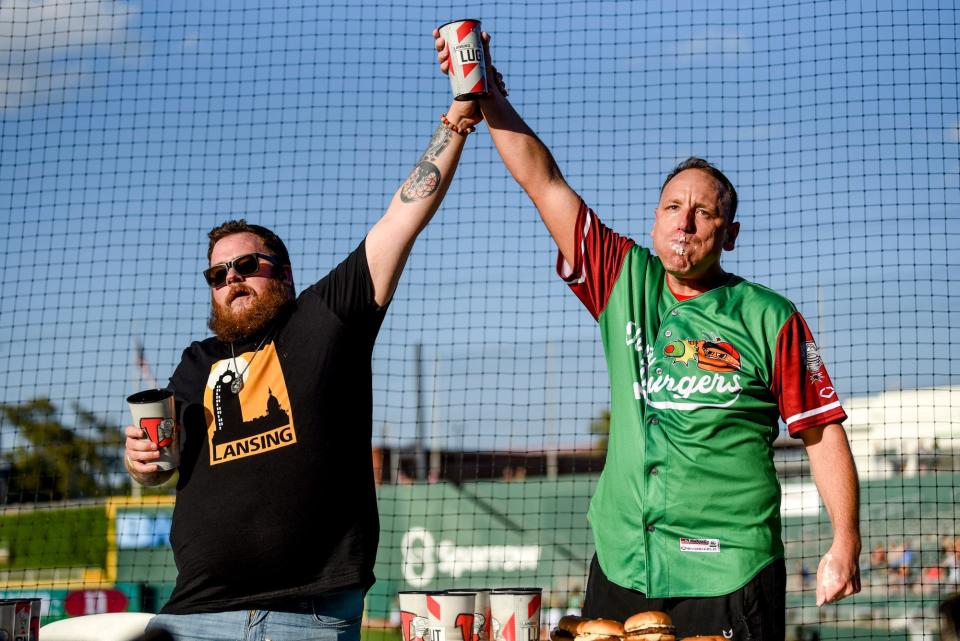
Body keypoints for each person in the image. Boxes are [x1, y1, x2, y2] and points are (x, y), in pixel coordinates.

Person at [433, 30, 861, 640]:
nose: (684, 222)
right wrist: (487, 95)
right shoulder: (621, 276)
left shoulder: (769, 316)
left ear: (730, 234)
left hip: (729, 570)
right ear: (654, 220)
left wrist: (845, 541)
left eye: (704, 212)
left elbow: (821, 430)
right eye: (672, 207)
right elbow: (544, 183)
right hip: (622, 561)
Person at [123, 96, 482, 641]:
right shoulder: (196, 363)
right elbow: (162, 467)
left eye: (247, 265)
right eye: (217, 274)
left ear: (284, 276)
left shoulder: (324, 318)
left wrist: (456, 119)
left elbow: (402, 218)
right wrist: (141, 463)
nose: (232, 280)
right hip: (193, 615)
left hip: (306, 615)